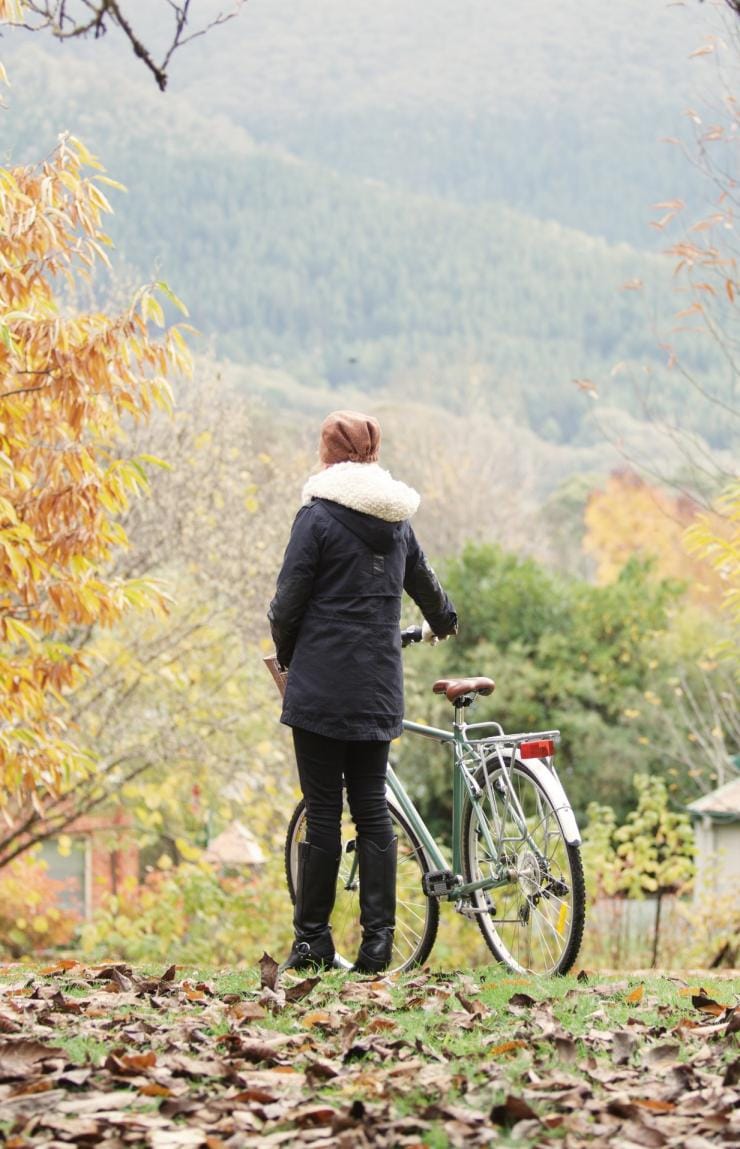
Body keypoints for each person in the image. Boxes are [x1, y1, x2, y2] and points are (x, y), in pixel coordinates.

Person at [268, 410, 457, 974]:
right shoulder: (397, 520)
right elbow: (426, 586)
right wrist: (444, 620)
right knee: (372, 808)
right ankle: (378, 945)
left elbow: (287, 604)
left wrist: (288, 652)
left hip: (322, 686)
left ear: (328, 456)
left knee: (324, 811)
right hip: (378, 686)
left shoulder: (317, 517)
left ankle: (313, 942)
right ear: (373, 455)